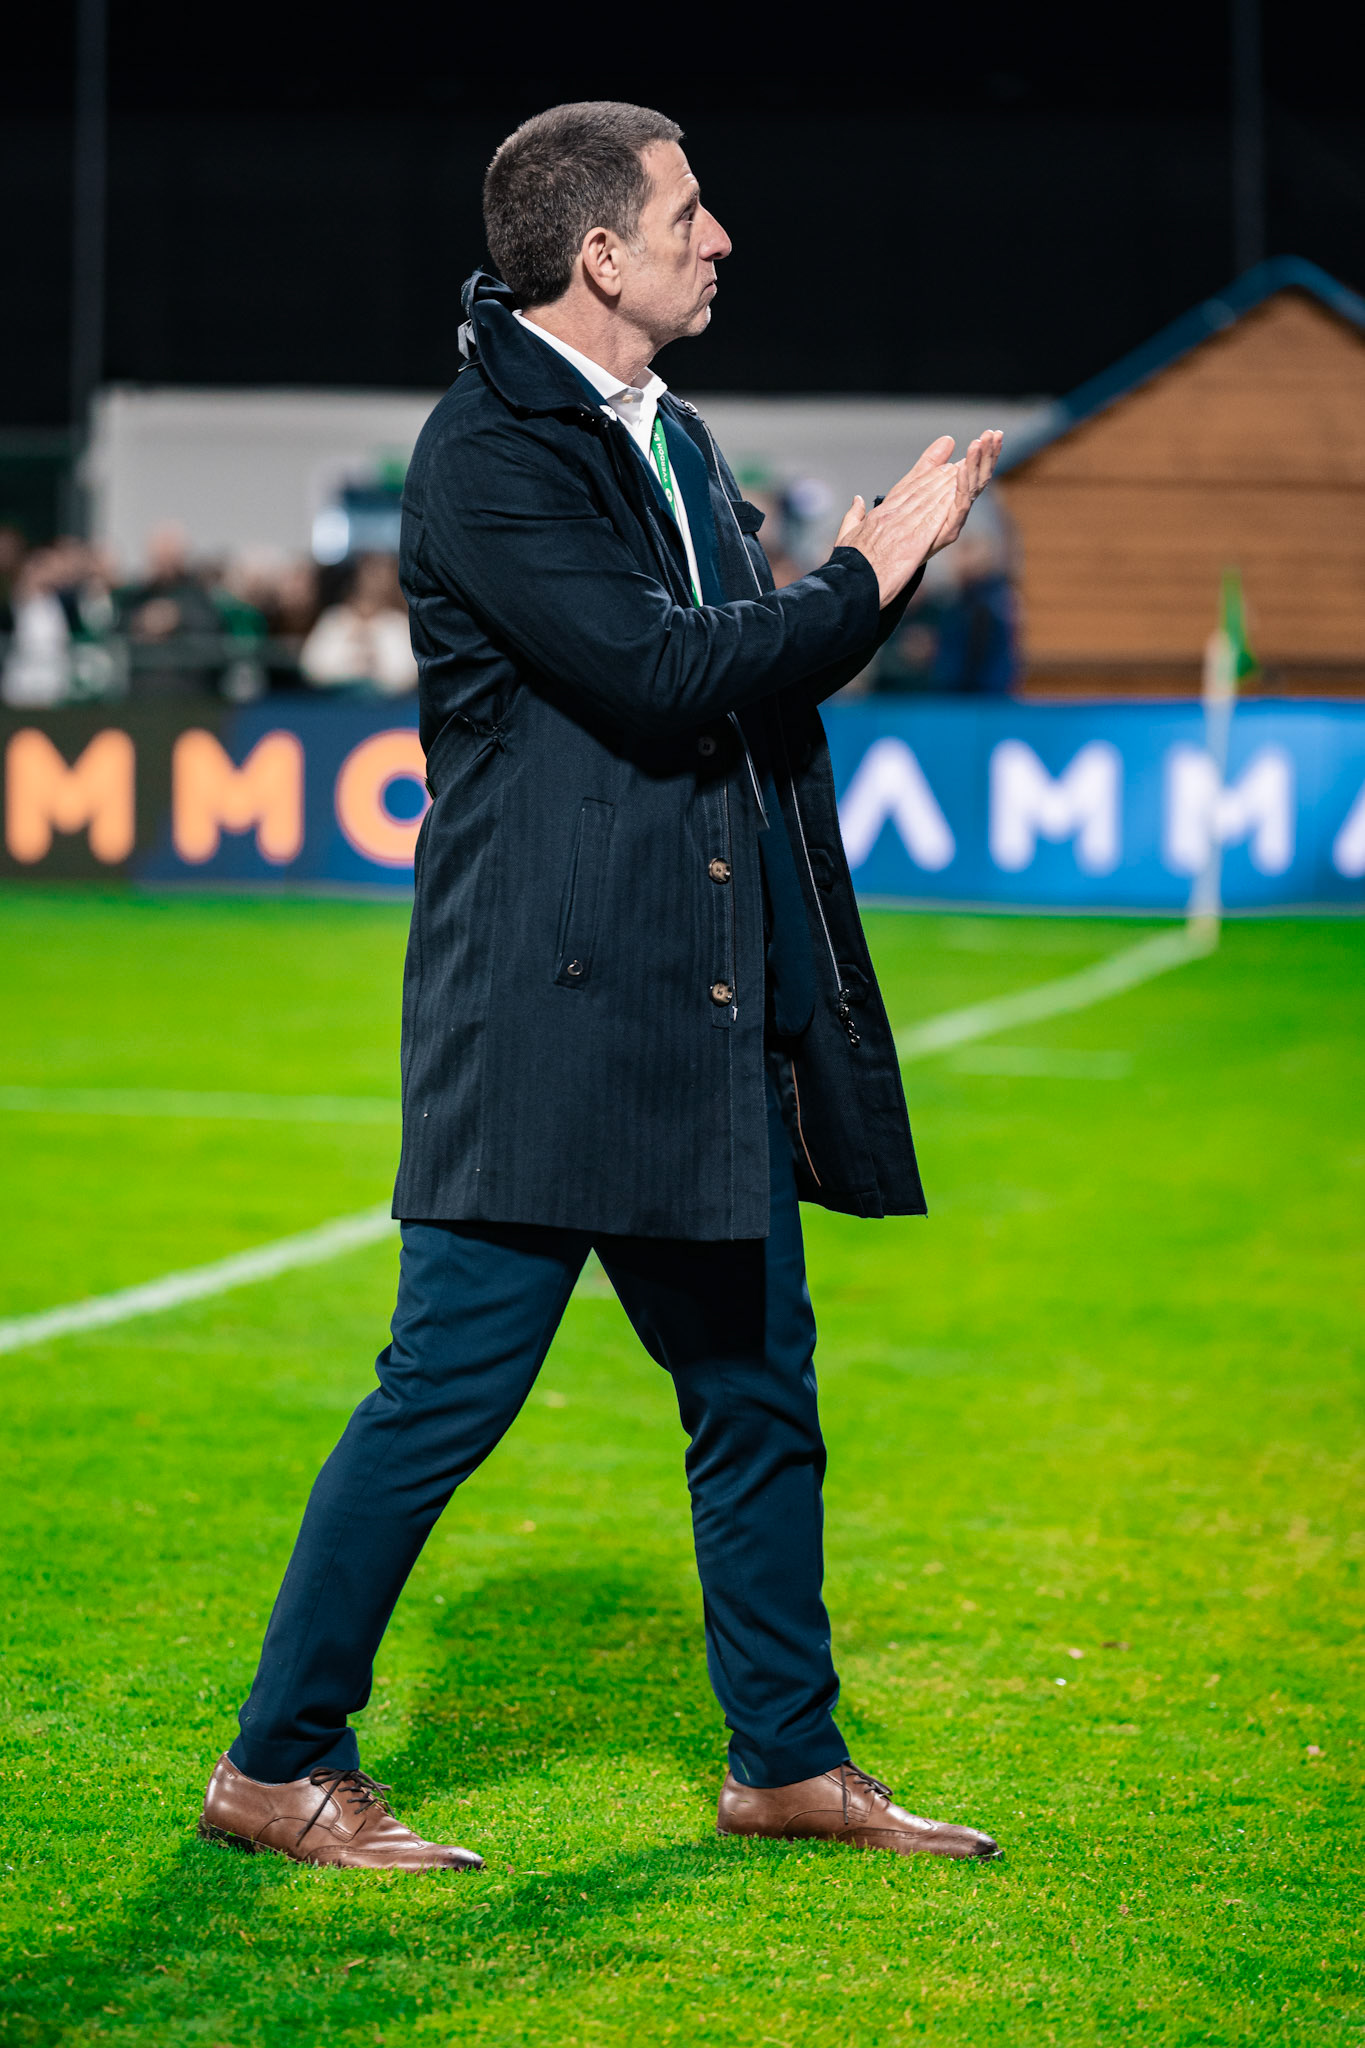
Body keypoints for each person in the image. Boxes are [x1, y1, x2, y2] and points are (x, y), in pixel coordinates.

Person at [200, 101, 1003, 1875]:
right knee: (444, 1396)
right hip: (549, 1019)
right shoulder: (488, 453)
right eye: (692, 209)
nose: (722, 236)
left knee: (755, 1389)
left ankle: (785, 1758)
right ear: (602, 255)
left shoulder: (675, 432)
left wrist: (844, 596)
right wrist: (870, 571)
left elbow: (742, 689)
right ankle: (276, 1764)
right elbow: (656, 673)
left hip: (697, 1012)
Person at [299, 551, 417, 695]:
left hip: (389, 711)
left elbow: (407, 674)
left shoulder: (398, 624)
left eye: (382, 574)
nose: (375, 581)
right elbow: (313, 667)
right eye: (371, 573)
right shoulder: (335, 619)